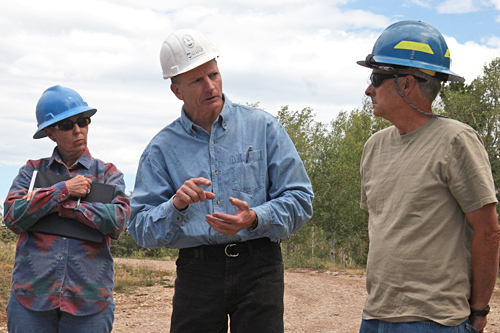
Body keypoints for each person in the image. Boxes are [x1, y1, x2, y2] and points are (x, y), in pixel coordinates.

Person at [128, 29, 314, 333]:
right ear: (177, 90)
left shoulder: (263, 127)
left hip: (260, 266)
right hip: (197, 272)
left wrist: (255, 217)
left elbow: (301, 200)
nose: (210, 86)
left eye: (214, 74)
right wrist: (176, 205)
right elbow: (140, 228)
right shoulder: (161, 149)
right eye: (197, 80)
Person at [357, 20, 500, 333]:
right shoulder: (374, 146)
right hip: (375, 317)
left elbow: (488, 231)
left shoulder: (456, 140)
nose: (368, 89)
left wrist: (478, 313)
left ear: (407, 84)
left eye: (376, 77)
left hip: (435, 322)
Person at [3, 85, 130, 333]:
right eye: (66, 125)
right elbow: (11, 216)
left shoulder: (108, 174)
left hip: (90, 302)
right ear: (50, 133)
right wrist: (63, 189)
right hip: (31, 300)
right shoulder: (31, 171)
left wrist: (58, 204)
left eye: (83, 121)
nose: (77, 130)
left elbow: (118, 221)